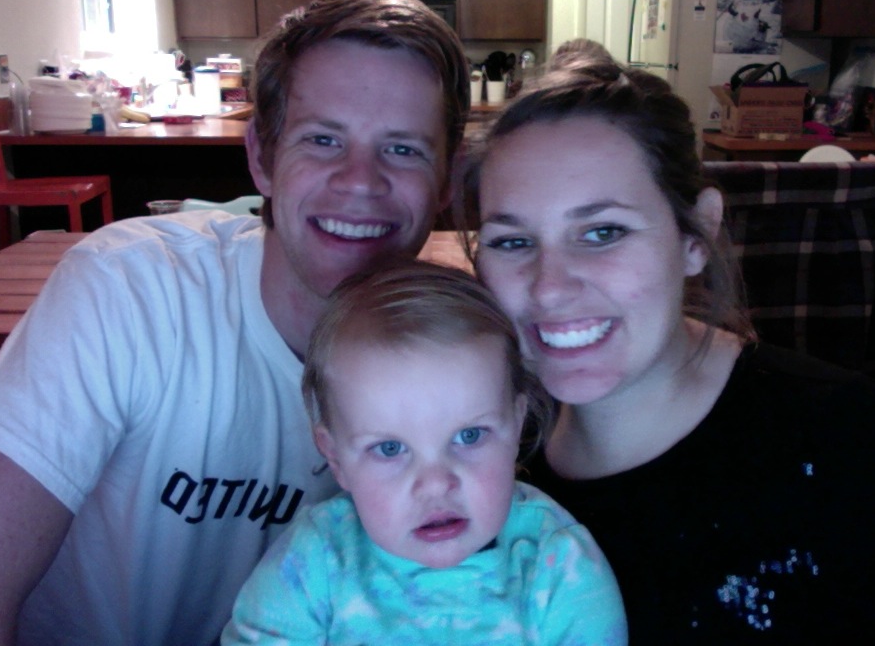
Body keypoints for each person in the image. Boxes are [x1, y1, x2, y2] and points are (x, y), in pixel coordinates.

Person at [455, 49, 875, 643]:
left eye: (603, 232)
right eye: (512, 242)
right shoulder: (477, 449)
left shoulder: (853, 455)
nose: (550, 287)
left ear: (698, 234)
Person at [0, 0, 470, 646]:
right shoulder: (130, 293)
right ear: (261, 157)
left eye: (402, 149)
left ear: (448, 179)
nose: (360, 181)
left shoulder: (465, 361)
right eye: (323, 140)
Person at [221, 261, 627, 644]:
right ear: (336, 457)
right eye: (390, 448)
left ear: (516, 424)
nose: (435, 484)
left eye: (469, 436)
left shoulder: (556, 564)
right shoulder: (315, 561)